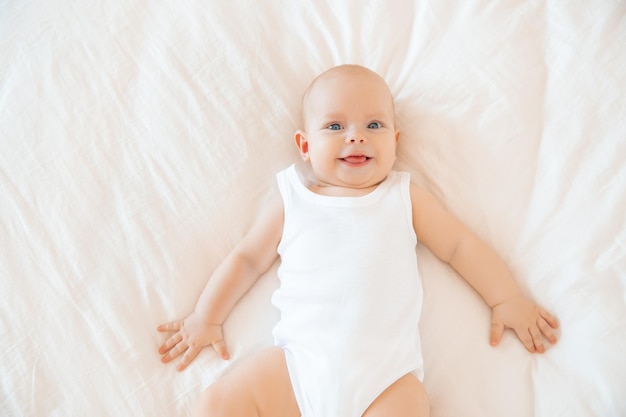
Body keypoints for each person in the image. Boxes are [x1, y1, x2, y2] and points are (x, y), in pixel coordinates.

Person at [157, 64, 559, 417]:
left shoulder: (403, 197)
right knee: (217, 404)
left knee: (412, 402)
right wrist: (206, 316)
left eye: (374, 125)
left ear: (395, 141)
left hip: (384, 380)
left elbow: (459, 246)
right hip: (298, 368)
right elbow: (246, 259)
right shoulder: (292, 199)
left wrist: (505, 298)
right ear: (305, 145)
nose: (356, 137)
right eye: (335, 126)